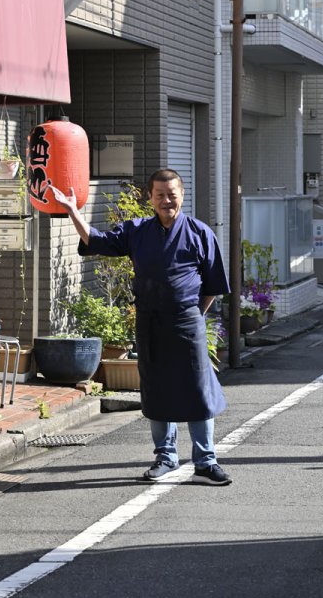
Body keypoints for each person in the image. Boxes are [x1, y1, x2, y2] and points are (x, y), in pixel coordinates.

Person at [49, 168, 232, 486]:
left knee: (198, 390)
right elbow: (96, 240)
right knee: (157, 389)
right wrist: (71, 210)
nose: (166, 201)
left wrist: (193, 315)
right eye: (160, 195)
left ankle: (205, 462)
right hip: (150, 322)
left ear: (182, 194)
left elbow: (213, 286)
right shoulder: (136, 231)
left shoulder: (201, 233)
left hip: (187, 321)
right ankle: (166, 457)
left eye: (172, 194)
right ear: (150, 198)